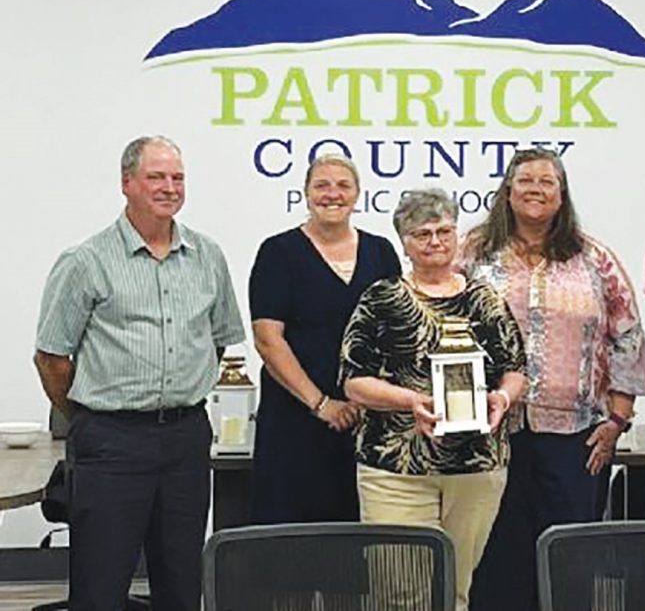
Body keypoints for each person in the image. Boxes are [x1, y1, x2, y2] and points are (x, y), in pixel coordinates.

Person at [33, 136, 246, 611]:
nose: (169, 187)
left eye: (177, 177)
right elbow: (51, 356)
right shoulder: (86, 261)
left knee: (181, 582)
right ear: (127, 183)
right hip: (111, 440)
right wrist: (89, 415)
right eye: (156, 177)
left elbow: (218, 339)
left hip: (186, 438)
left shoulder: (207, 256)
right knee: (100, 586)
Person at [463, 147, 645, 611]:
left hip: (577, 437)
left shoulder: (594, 258)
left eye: (547, 182)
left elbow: (627, 334)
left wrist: (618, 419)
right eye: (525, 181)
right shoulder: (472, 253)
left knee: (569, 559)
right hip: (489, 435)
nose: (535, 190)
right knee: (494, 557)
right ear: (507, 191)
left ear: (561, 194)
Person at [340, 188, 528, 611]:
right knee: (399, 594)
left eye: (444, 230)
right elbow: (353, 382)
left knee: (454, 592)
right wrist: (410, 400)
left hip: (476, 467)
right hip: (396, 469)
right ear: (403, 243)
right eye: (422, 233)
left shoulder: (485, 299)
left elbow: (516, 369)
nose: (435, 241)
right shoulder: (380, 299)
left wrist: (501, 397)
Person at [248, 153, 401, 523]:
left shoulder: (381, 252)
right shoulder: (278, 253)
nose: (332, 194)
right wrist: (321, 405)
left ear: (358, 194)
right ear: (305, 193)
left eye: (343, 185)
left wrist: (370, 401)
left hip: (369, 424)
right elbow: (268, 340)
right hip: (295, 423)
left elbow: (398, 334)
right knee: (293, 544)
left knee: (363, 541)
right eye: (322, 185)